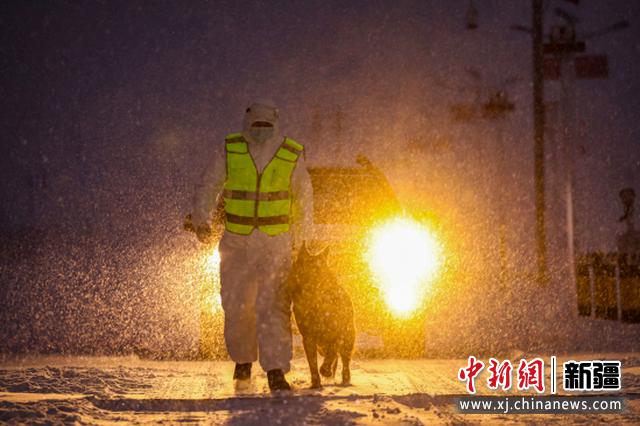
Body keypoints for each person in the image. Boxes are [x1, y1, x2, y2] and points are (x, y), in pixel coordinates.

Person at [191, 100, 314, 391]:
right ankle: (243, 361)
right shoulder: (230, 149)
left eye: (265, 125)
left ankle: (275, 370)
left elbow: (304, 199)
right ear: (247, 124)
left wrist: (304, 238)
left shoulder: (290, 153)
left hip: (276, 244)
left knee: (273, 307)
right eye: (256, 125)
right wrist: (201, 217)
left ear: (275, 123)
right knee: (236, 303)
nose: (261, 130)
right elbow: (209, 184)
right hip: (238, 241)